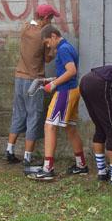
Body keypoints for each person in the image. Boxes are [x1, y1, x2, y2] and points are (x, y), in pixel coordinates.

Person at [30, 25, 86, 181]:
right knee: (71, 128)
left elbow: (71, 71)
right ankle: (81, 165)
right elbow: (68, 73)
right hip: (72, 90)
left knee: (49, 126)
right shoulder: (68, 47)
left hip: (65, 92)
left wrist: (54, 85)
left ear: (54, 36)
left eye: (48, 42)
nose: (48, 46)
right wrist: (52, 79)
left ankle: (48, 168)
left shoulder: (63, 49)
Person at [4, 4, 58, 165]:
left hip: (19, 77)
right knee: (34, 116)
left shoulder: (25, 29)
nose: (52, 22)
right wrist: (53, 50)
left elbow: (31, 23)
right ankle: (28, 156)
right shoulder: (42, 36)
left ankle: (9, 149)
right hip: (34, 80)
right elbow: (48, 59)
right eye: (51, 18)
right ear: (46, 18)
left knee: (19, 113)